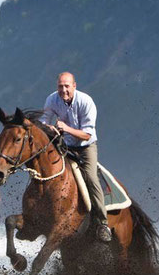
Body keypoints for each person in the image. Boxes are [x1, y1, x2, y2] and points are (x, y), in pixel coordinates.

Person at [40, 72, 112, 242]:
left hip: (86, 148)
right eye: (60, 86)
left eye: (67, 86)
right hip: (64, 145)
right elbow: (43, 120)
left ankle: (102, 223)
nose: (63, 90)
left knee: (91, 177)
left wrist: (65, 128)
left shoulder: (86, 102)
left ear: (74, 86)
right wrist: (49, 128)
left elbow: (87, 135)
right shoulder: (52, 99)